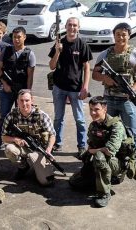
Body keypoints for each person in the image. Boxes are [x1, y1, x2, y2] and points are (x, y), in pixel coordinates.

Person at [92, 23, 136, 181]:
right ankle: (113, 162)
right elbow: (95, 74)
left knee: (133, 132)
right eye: (118, 34)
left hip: (127, 100)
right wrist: (106, 79)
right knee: (109, 132)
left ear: (129, 35)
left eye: (124, 34)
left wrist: (134, 88)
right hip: (109, 100)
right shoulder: (105, 54)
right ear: (114, 35)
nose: (121, 37)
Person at [70, 96, 136, 207]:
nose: (92, 113)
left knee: (99, 155)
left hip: (118, 164)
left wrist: (91, 151)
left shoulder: (116, 125)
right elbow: (91, 144)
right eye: (91, 109)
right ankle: (97, 180)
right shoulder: (94, 125)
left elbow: (109, 151)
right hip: (103, 160)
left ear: (105, 109)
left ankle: (104, 194)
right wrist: (88, 155)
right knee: (75, 183)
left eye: (96, 109)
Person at [48, 17, 92, 156]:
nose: (72, 28)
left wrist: (85, 87)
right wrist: (57, 51)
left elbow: (86, 67)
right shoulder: (59, 43)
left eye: (74, 25)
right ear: (65, 27)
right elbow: (52, 66)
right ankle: (57, 143)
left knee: (79, 119)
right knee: (58, 118)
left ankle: (81, 146)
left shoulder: (82, 45)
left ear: (78, 28)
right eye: (69, 25)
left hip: (76, 88)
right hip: (59, 87)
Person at [0, 26, 36, 152]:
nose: (16, 40)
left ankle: (20, 141)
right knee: (4, 116)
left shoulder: (29, 54)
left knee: (21, 117)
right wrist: (4, 84)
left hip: (21, 92)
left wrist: (28, 93)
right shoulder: (6, 50)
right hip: (6, 90)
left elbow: (30, 75)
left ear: (24, 37)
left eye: (19, 37)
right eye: (14, 37)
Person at [2, 89, 56, 186]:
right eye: (21, 100)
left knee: (45, 182)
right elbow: (3, 137)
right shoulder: (11, 116)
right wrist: (15, 139)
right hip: (23, 148)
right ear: (17, 101)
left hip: (39, 150)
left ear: (32, 100)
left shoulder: (41, 116)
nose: (24, 103)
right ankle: (23, 166)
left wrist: (48, 149)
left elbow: (52, 135)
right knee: (9, 149)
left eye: (27, 100)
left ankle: (41, 166)